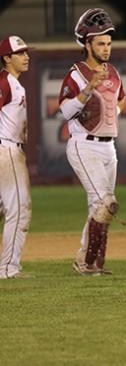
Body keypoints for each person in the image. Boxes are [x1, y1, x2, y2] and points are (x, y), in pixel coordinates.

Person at [58, 8, 126, 276]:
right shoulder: (76, 73)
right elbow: (64, 111)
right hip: (83, 144)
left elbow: (120, 99)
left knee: (99, 207)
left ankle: (94, 263)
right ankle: (85, 262)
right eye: (100, 43)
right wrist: (87, 91)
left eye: (108, 43)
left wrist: (113, 114)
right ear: (87, 43)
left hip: (109, 146)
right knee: (105, 202)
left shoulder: (114, 72)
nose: (106, 48)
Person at [0, 36, 34, 279]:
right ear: (7, 58)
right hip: (7, 150)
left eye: (26, 52)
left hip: (9, 149)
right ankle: (9, 268)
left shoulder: (13, 82)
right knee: (19, 209)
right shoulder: (5, 82)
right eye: (20, 53)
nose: (26, 56)